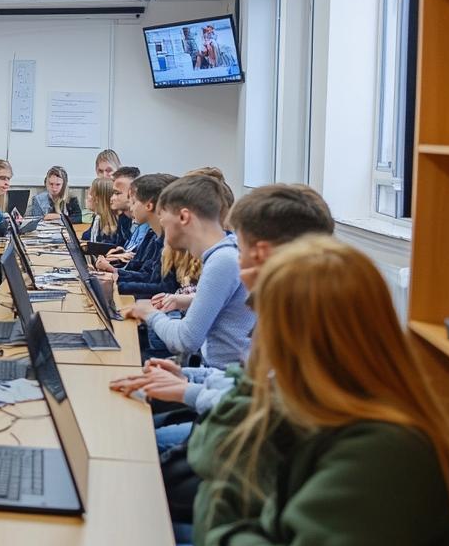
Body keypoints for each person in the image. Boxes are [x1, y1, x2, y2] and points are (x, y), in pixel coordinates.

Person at [182, 237, 449, 546]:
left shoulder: (386, 454)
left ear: (296, 343)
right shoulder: (332, 412)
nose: (252, 343)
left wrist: (228, 533)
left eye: (263, 329)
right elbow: (214, 457)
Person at [112, 182, 335, 447]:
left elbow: (269, 410)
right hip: (226, 398)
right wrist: (189, 378)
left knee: (142, 442)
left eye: (242, 247)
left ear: (262, 252)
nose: (238, 260)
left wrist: (190, 389)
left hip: (258, 440)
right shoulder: (284, 305)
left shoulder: (305, 314)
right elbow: (253, 385)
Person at [124, 173, 253, 372]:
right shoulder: (226, 252)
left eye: (162, 214)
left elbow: (184, 341)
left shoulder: (222, 261)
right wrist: (186, 300)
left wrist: (149, 312)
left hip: (223, 378)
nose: (161, 222)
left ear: (184, 217)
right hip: (212, 373)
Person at [97, 173, 178, 298]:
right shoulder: (154, 236)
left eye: (134, 202)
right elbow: (146, 274)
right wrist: (114, 273)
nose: (130, 207)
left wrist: (116, 285)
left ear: (149, 205)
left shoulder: (170, 241)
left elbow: (164, 287)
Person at [81, 177, 118, 243]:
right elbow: (86, 235)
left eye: (90, 194)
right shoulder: (97, 217)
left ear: (98, 199)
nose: (87, 197)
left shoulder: (112, 231)